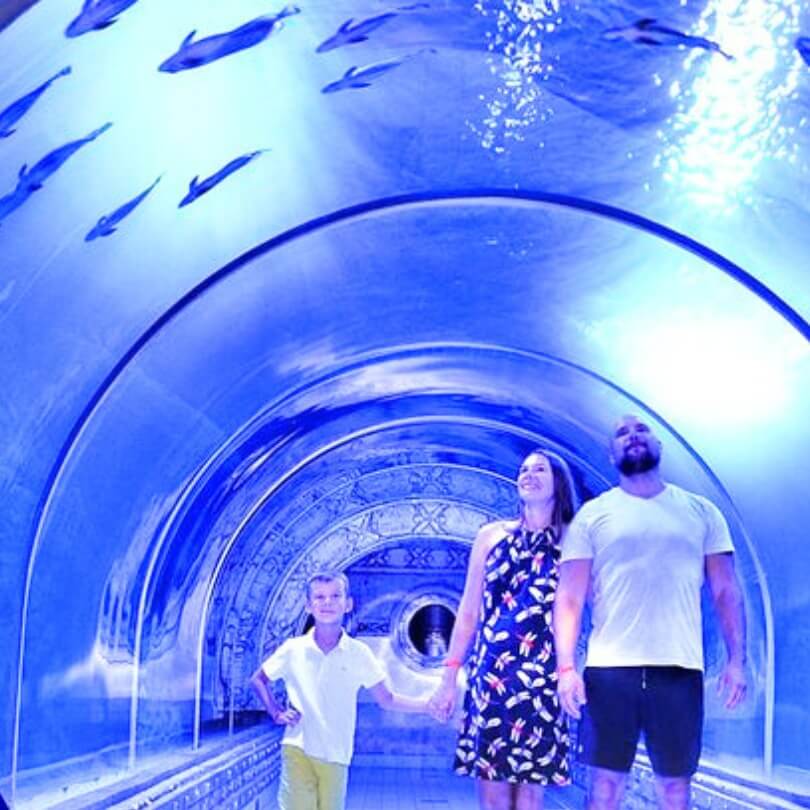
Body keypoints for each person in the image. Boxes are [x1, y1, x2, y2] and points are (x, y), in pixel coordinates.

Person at [553, 414, 747, 810]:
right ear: (612, 455)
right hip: (610, 670)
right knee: (605, 786)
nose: (633, 436)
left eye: (641, 429)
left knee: (675, 788)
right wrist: (566, 668)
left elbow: (726, 589)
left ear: (659, 445)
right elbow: (569, 596)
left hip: (679, 668)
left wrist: (736, 661)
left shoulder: (702, 511)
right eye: (622, 433)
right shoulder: (593, 515)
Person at [429, 448, 577, 810]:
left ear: (558, 481)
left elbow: (577, 606)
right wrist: (448, 678)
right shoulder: (490, 536)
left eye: (539, 469)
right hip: (491, 673)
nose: (528, 475)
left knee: (529, 793)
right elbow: (468, 611)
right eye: (524, 469)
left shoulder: (574, 540)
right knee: (493, 791)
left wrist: (570, 671)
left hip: (542, 676)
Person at [250, 570, 430, 810]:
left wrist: (428, 706)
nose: (328, 602)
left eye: (335, 596)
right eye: (319, 597)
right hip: (298, 746)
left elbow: (386, 699)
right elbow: (258, 680)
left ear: (348, 604)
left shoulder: (359, 653)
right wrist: (276, 712)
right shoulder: (293, 649)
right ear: (308, 606)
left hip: (337, 754)